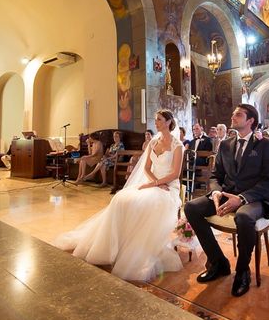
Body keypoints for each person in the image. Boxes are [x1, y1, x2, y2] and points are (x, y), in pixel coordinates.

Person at [54, 110, 184, 281]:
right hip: (154, 183)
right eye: (155, 119)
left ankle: (134, 249)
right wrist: (153, 182)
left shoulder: (177, 146)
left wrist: (156, 185)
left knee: (146, 202)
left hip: (169, 187)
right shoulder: (153, 142)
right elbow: (146, 168)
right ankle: (115, 246)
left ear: (168, 122)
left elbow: (175, 174)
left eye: (159, 120)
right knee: (121, 199)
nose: (156, 122)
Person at [185, 104, 269, 298]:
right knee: (192, 207)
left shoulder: (265, 144)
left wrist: (242, 198)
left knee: (243, 217)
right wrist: (217, 192)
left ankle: (243, 271)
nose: (233, 117)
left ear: (250, 120)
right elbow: (215, 175)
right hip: (227, 194)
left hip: (255, 198)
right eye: (233, 113)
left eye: (238, 115)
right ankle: (219, 262)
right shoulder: (226, 144)